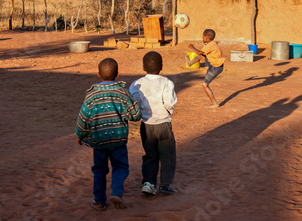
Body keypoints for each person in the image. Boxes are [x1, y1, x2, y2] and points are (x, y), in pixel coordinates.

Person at [76, 58, 142, 211]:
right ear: (118, 74)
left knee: (99, 170)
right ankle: (116, 193)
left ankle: (99, 201)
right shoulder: (122, 93)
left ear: (98, 74)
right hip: (118, 140)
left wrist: (81, 134)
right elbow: (136, 115)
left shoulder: (91, 95)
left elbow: (83, 117)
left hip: (99, 141)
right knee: (120, 167)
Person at [129, 51, 178, 196]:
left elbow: (133, 103)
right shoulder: (167, 83)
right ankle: (165, 184)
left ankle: (149, 183)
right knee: (168, 155)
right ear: (161, 67)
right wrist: (167, 112)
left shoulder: (136, 84)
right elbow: (170, 103)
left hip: (146, 125)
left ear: (143, 68)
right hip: (164, 125)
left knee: (150, 155)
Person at [185, 28, 225, 108]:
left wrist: (192, 47)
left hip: (215, 67)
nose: (202, 38)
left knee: (205, 85)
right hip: (213, 63)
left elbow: (199, 51)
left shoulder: (210, 45)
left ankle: (214, 103)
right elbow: (201, 54)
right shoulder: (213, 43)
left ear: (206, 38)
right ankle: (190, 63)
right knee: (200, 57)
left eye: (203, 36)